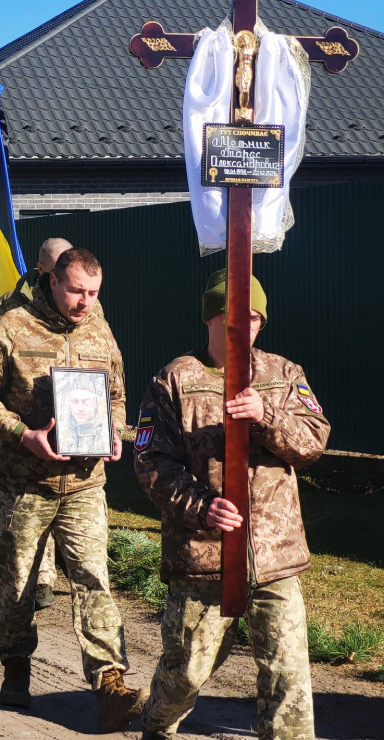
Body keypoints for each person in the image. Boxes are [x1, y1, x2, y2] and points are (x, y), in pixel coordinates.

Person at [134, 271, 329, 740]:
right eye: (235, 316)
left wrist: (268, 417)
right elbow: (151, 462)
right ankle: (156, 724)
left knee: (288, 679)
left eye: (256, 317)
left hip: (274, 554)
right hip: (204, 555)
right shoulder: (175, 379)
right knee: (186, 671)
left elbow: (313, 442)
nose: (247, 325)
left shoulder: (283, 375)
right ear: (211, 317)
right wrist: (203, 507)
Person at [0, 247, 146, 731]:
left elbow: (118, 394)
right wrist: (23, 434)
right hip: (26, 482)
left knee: (93, 578)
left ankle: (110, 685)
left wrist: (115, 431)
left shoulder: (100, 329)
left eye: (93, 293)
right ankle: (16, 666)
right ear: (52, 282)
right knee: (20, 582)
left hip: (86, 482)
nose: (85, 302)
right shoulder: (12, 326)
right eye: (76, 291)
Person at [0, 237, 73, 610]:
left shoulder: (86, 302)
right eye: (58, 269)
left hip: (69, 415)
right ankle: (32, 579)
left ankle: (46, 579)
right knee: (23, 513)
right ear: (43, 271)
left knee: (62, 493)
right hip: (25, 423)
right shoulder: (9, 307)